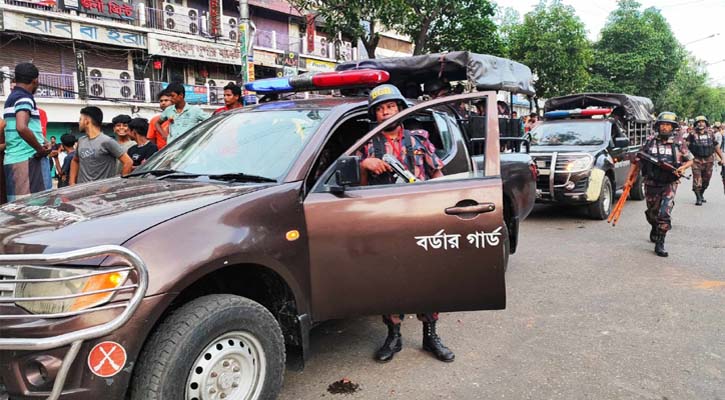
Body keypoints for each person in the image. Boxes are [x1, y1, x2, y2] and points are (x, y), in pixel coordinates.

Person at [356, 84, 453, 363]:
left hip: (421, 219)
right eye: (380, 109)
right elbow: (360, 191)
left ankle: (430, 335)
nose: (385, 112)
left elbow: (437, 175)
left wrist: (442, 210)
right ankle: (394, 336)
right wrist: (366, 165)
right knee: (390, 279)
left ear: (399, 109)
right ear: (374, 115)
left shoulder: (419, 139)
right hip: (386, 221)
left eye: (390, 107)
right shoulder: (367, 146)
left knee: (427, 278)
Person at [638, 112, 693, 257]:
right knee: (652, 212)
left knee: (664, 212)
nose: (665, 127)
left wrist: (683, 168)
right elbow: (638, 160)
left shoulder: (678, 143)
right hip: (651, 182)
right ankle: (655, 226)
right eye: (662, 124)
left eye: (668, 125)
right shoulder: (650, 141)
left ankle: (660, 242)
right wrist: (629, 181)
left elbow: (690, 159)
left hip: (669, 183)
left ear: (673, 127)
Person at [2, 62, 52, 202]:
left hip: (16, 160)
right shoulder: (24, 97)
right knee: (38, 209)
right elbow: (21, 127)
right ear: (35, 80)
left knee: (20, 211)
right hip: (29, 161)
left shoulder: (12, 98)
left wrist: (44, 141)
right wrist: (40, 149)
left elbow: (25, 129)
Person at [70, 106, 132, 185]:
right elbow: (75, 161)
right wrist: (72, 183)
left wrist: (117, 184)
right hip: (82, 191)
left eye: (80, 119)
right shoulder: (81, 140)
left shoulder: (107, 141)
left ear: (86, 121)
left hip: (101, 194)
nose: (79, 122)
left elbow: (128, 162)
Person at [686, 115, 724, 205]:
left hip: (709, 160)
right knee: (697, 180)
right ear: (696, 124)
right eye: (699, 122)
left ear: (706, 123)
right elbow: (686, 147)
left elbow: (716, 146)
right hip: (696, 160)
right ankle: (698, 198)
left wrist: (722, 158)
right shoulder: (692, 134)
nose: (701, 123)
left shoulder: (711, 133)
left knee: (706, 181)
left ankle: (701, 194)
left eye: (703, 121)